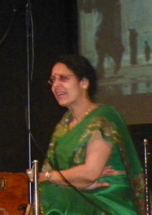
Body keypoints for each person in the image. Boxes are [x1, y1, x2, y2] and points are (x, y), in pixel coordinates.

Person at [38, 54, 145, 215]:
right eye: (53, 80)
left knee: (53, 198)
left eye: (64, 78)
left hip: (106, 202)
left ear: (84, 82)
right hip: (77, 197)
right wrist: (73, 181)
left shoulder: (103, 117)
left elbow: (90, 173)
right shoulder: (64, 124)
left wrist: (50, 176)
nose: (56, 86)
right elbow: (76, 179)